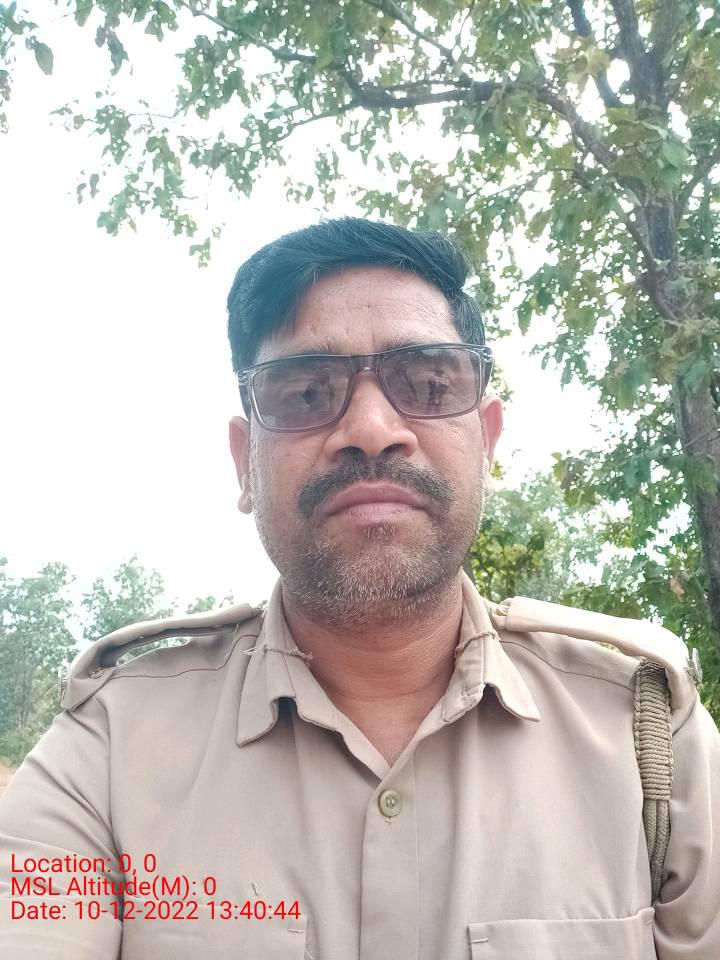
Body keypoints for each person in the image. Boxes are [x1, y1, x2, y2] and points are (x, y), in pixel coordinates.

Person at [1, 217, 718, 959]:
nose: (372, 429)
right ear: (245, 463)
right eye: (306, 393)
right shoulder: (110, 747)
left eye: (429, 384)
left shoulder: (650, 740)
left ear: (487, 441)